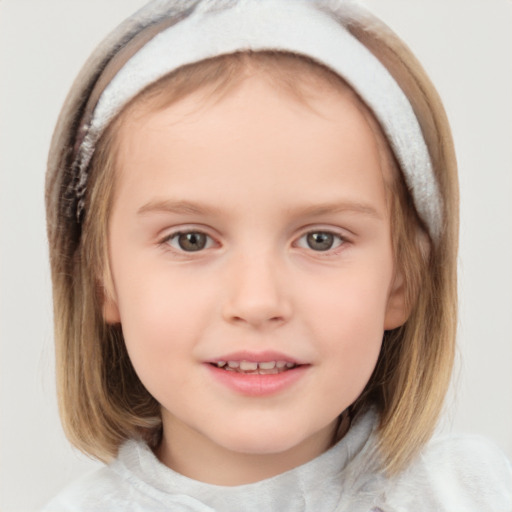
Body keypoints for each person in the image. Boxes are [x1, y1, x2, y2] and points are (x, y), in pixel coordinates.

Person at [43, 0, 512, 510]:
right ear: (102, 278)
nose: (258, 300)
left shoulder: (468, 494)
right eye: (190, 239)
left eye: (320, 239)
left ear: (402, 280)